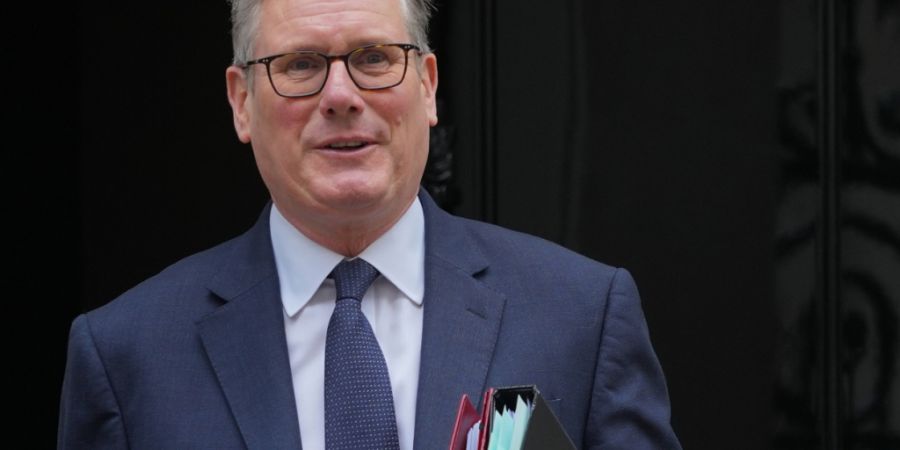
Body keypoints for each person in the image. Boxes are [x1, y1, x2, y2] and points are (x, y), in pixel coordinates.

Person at [58, 0, 681, 448]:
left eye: (375, 57)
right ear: (242, 102)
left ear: (429, 86)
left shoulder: (581, 315)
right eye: (300, 64)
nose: (341, 95)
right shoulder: (127, 356)